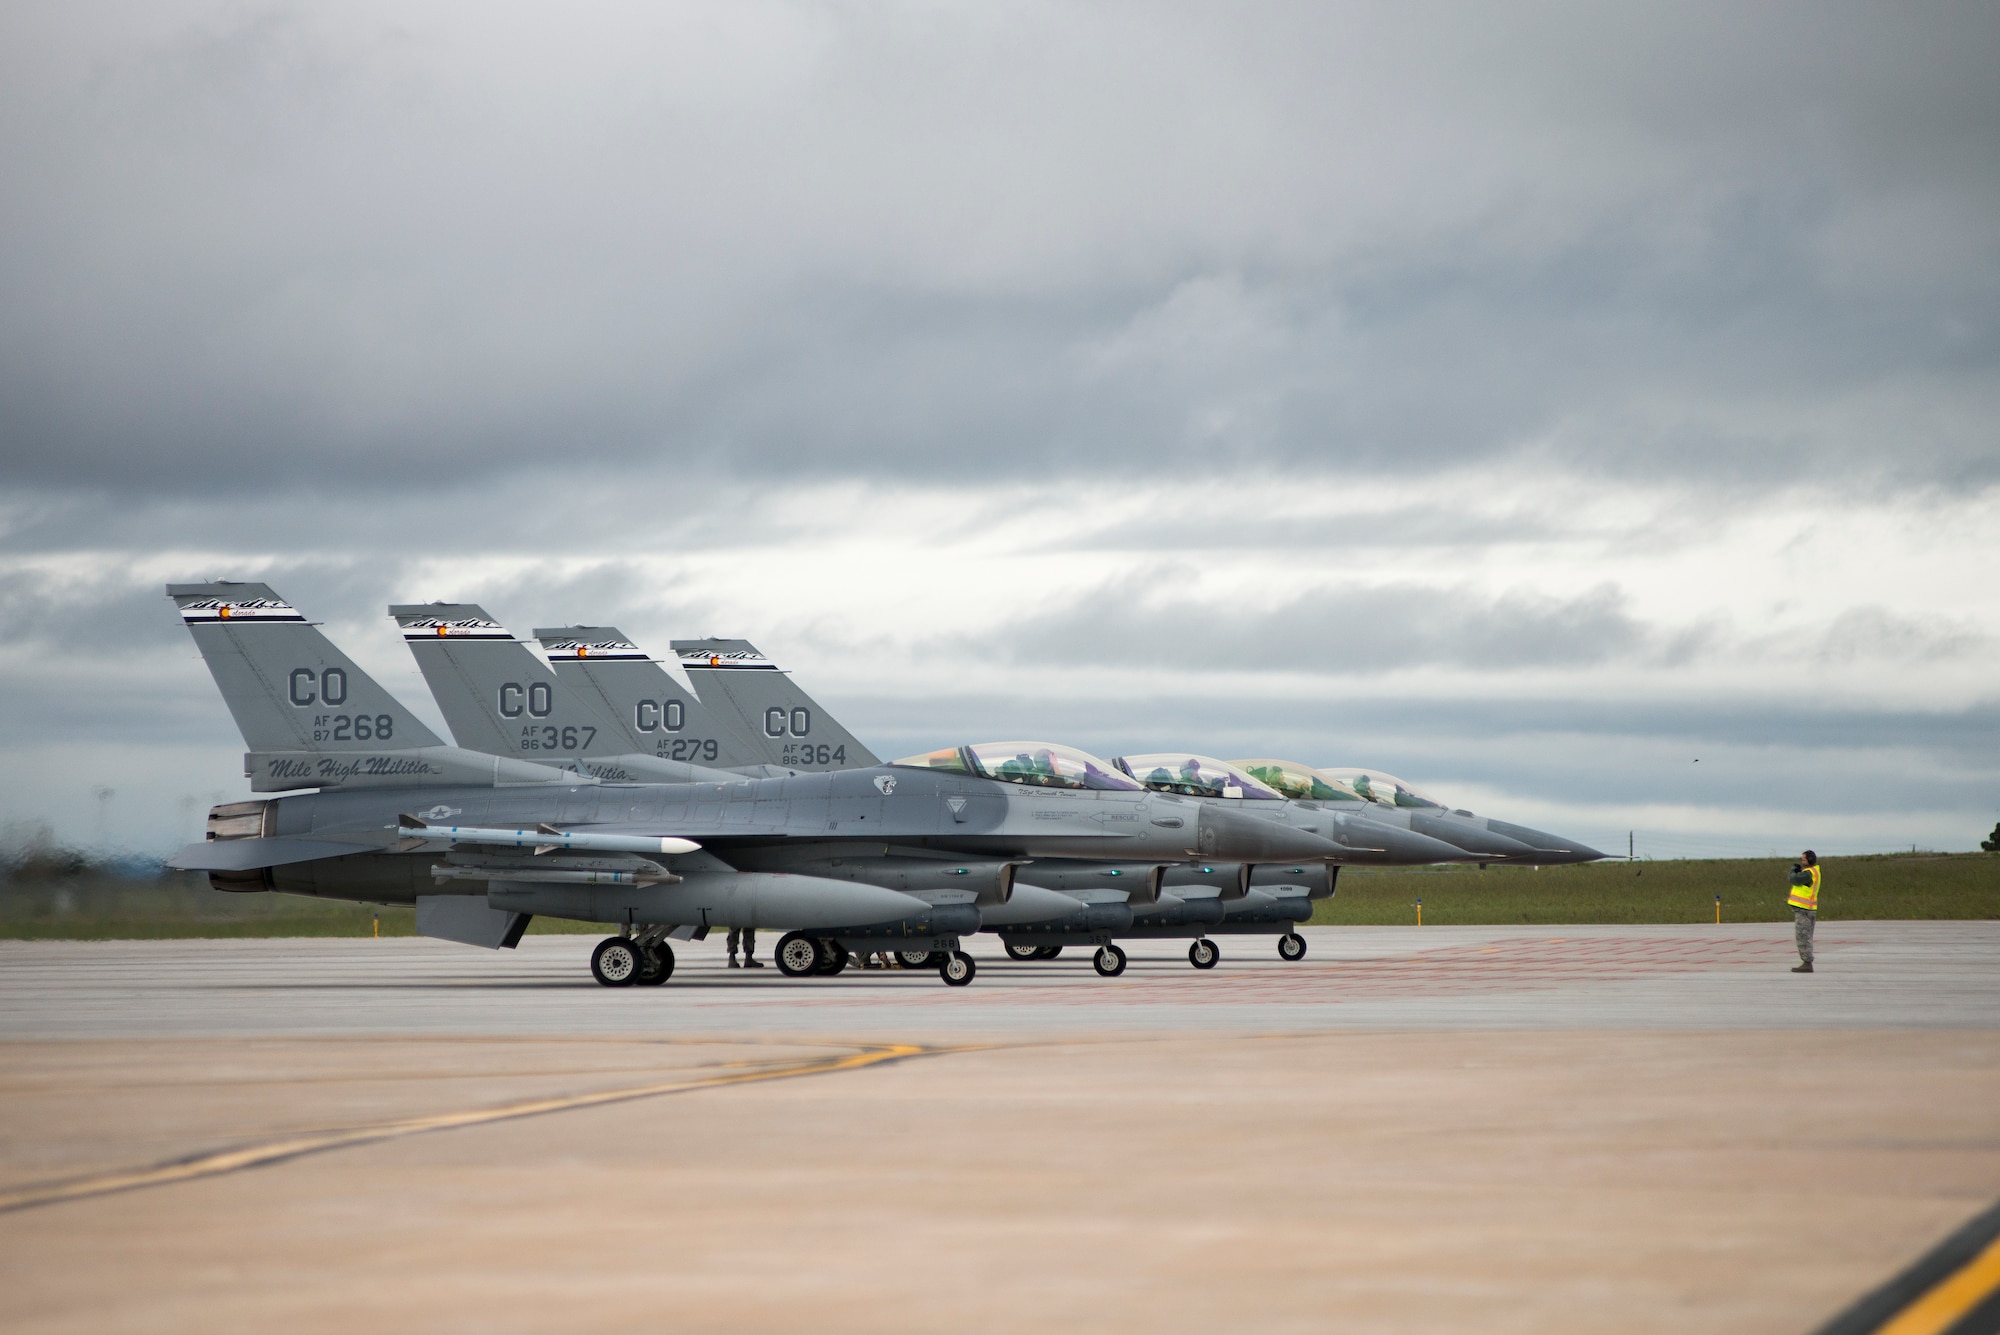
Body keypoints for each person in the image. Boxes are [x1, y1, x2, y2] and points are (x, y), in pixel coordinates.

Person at [1787, 850, 1820, 973]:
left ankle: (1807, 963)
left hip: (1804, 910)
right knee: (1805, 936)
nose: (1802, 862)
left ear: (1810, 861)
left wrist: (1792, 870)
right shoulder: (1812, 871)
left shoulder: (1808, 874)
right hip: (1806, 909)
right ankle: (1807, 961)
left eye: (1804, 860)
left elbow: (1793, 879)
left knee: (1803, 937)